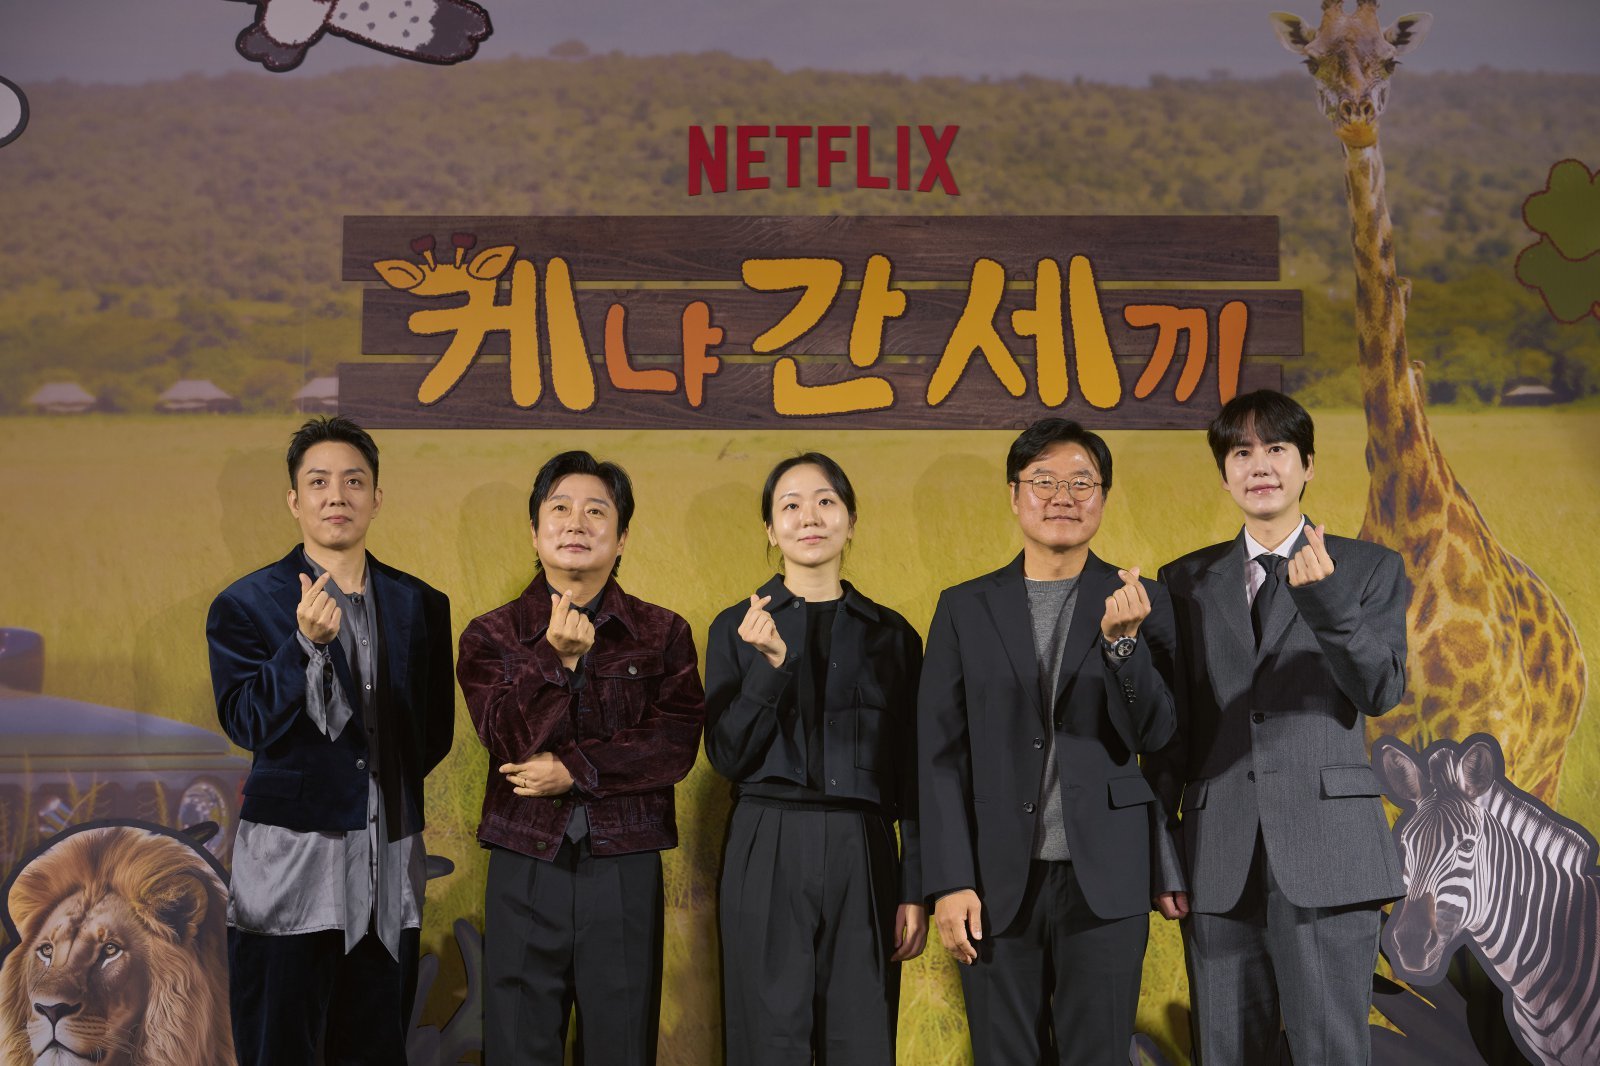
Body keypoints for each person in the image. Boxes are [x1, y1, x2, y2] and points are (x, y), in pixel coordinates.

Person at [1147, 389, 1407, 1065]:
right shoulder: (1183, 579)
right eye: (1241, 453)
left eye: (1277, 449)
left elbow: (1380, 689)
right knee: (1226, 1052)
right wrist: (1164, 847)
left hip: (1331, 853)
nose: (1259, 465)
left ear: (1307, 465)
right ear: (1224, 473)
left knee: (1332, 1051)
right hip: (1217, 856)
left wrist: (1326, 601)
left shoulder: (1368, 567)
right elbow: (1172, 731)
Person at [918, 418, 1178, 1066]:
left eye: (1081, 483)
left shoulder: (1142, 600)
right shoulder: (964, 608)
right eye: (1044, 481)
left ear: (1103, 497)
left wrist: (1124, 649)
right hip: (993, 884)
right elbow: (939, 756)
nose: (1063, 497)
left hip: (1107, 879)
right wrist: (950, 880)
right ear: (1014, 495)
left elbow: (1156, 734)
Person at [206, 415, 455, 1066]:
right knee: (279, 1046)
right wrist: (302, 646)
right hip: (289, 867)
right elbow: (245, 722)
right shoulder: (245, 603)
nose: (336, 496)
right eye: (318, 482)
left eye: (354, 481)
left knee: (375, 1045)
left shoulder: (421, 603)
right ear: (294, 500)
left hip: (386, 864)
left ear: (377, 496)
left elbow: (431, 733)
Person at [456, 449, 705, 1066]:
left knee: (621, 1042)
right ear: (534, 531)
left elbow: (673, 744)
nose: (576, 523)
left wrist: (574, 770)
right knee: (517, 1042)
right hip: (525, 858)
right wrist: (557, 659)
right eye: (560, 508)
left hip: (623, 862)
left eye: (597, 512)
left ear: (621, 538)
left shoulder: (663, 632)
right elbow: (505, 738)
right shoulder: (491, 635)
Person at [704, 452, 927, 1066]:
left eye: (826, 502)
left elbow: (914, 774)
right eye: (791, 505)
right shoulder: (735, 628)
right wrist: (769, 670)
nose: (810, 517)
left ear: (851, 521)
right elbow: (726, 756)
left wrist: (915, 888)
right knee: (766, 1040)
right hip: (766, 838)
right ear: (770, 529)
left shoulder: (894, 635)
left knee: (862, 1039)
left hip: (864, 845)